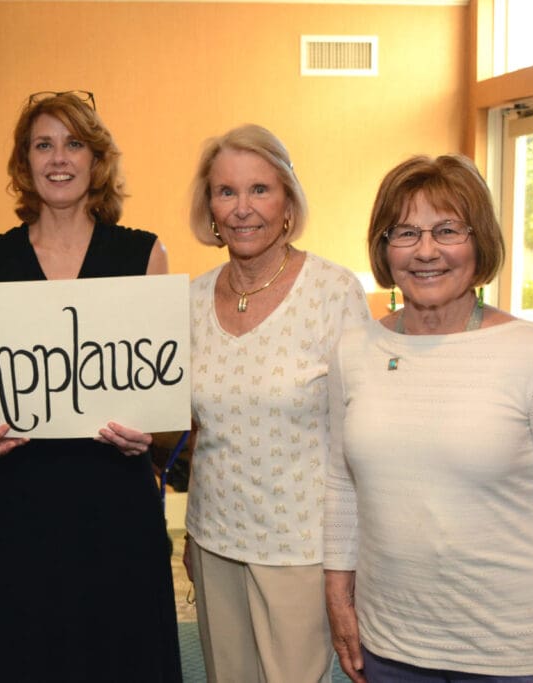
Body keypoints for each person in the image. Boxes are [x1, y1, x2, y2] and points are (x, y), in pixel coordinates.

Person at [0, 90, 182, 682]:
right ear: (24, 162)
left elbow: (163, 398)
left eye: (74, 144)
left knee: (122, 653)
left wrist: (151, 433)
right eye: (43, 144)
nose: (59, 158)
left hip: (115, 493)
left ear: (96, 159)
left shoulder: (144, 254)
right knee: (26, 655)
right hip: (22, 495)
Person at [324, 154, 533, 682]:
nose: (426, 252)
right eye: (405, 233)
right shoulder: (355, 350)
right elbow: (339, 484)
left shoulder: (529, 352)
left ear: (479, 242)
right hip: (392, 642)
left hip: (510, 646)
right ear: (384, 248)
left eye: (447, 230)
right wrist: (338, 594)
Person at [181, 124, 371, 682]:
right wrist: (193, 535)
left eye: (260, 190)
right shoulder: (190, 299)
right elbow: (196, 427)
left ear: (288, 200)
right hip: (213, 539)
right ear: (210, 207)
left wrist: (347, 560)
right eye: (226, 192)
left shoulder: (333, 293)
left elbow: (356, 437)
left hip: (300, 548)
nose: (243, 209)